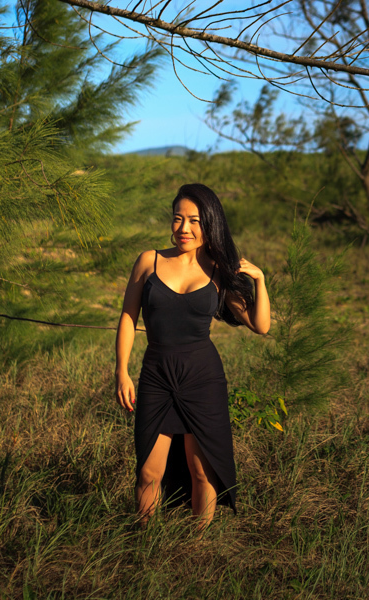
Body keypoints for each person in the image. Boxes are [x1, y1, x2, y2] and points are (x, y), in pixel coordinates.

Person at [113, 183, 271, 526]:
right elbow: (128, 316)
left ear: (210, 223)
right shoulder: (148, 261)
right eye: (178, 218)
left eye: (194, 220)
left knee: (203, 472)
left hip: (203, 379)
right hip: (156, 375)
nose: (184, 228)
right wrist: (121, 372)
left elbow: (260, 326)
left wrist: (259, 280)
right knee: (148, 471)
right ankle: (145, 540)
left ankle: (197, 547)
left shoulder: (218, 271)